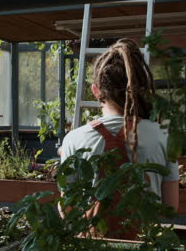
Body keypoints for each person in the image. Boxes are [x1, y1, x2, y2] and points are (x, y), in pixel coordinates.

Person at [59, 38, 179, 239]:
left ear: (95, 90)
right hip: (144, 242)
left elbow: (67, 210)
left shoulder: (73, 139)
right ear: (139, 87)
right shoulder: (164, 135)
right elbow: (170, 207)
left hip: (92, 245)